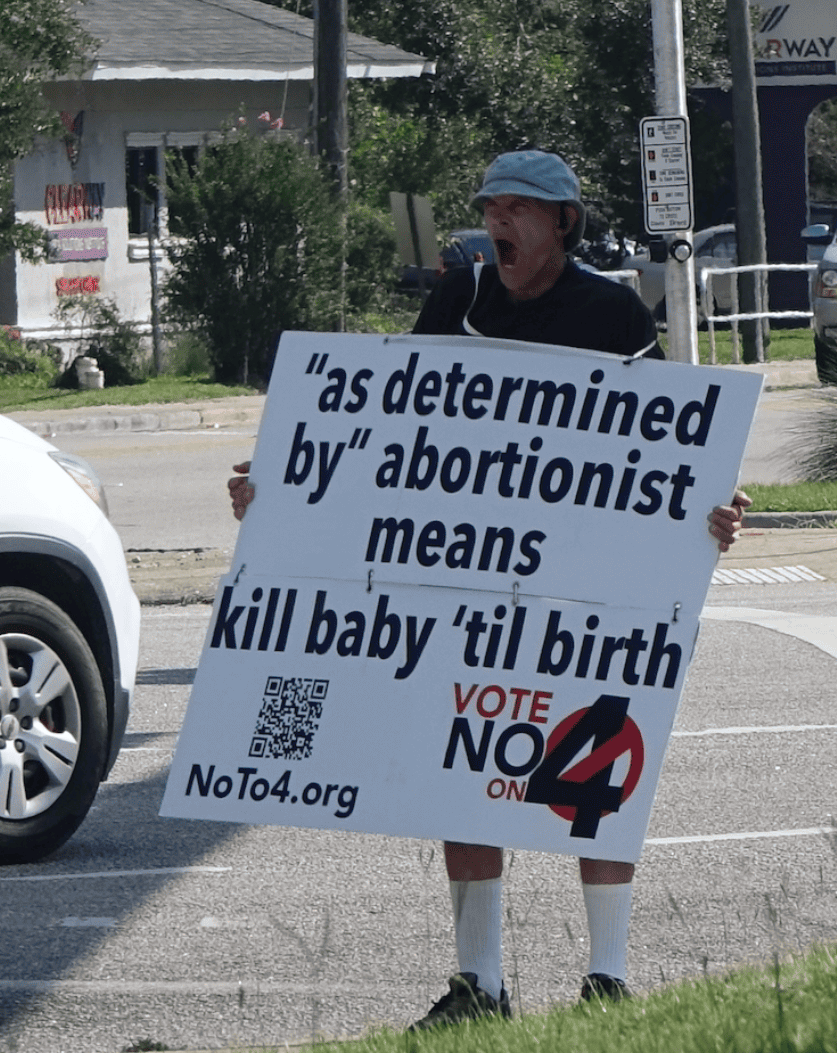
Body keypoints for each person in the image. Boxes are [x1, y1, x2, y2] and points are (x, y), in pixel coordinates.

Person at [226, 150, 751, 1028]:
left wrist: (715, 510)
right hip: (466, 585)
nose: (498, 222)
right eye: (489, 207)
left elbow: (675, 446)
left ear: (563, 223)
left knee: (596, 767)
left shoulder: (613, 312)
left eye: (518, 209)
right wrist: (280, 490)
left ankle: (609, 978)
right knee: (464, 768)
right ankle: (481, 984)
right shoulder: (457, 301)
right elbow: (392, 431)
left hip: (582, 585)